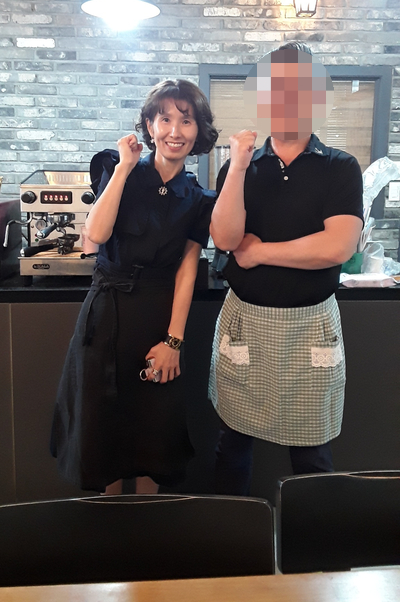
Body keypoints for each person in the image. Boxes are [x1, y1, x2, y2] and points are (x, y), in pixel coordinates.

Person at [209, 42, 364, 495]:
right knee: (231, 445)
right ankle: (231, 537)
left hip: (311, 326)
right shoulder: (240, 167)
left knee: (312, 455)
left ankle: (315, 542)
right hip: (246, 322)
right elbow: (225, 239)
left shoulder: (340, 167)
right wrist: (237, 167)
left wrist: (261, 253)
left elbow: (338, 246)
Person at [51, 79, 218, 495]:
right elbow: (96, 234)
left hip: (157, 320)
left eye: (186, 121)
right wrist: (125, 167)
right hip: (106, 315)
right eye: (165, 119)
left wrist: (174, 342)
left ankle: (146, 530)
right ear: (149, 125)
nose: (175, 131)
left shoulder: (198, 198)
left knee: (153, 436)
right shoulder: (117, 167)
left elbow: (187, 270)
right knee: (100, 435)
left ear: (199, 130)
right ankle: (108, 532)